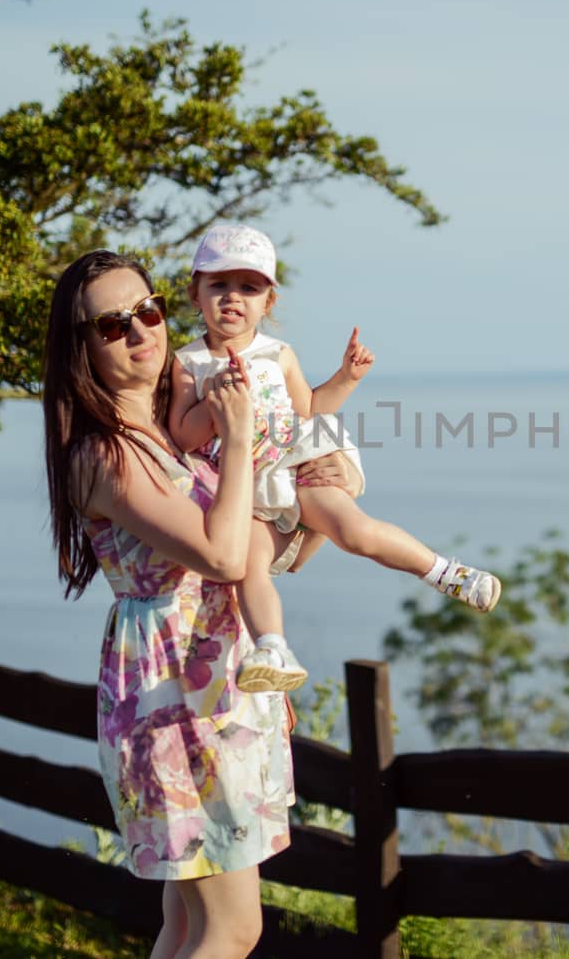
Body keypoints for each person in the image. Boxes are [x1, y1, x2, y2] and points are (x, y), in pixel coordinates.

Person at [43, 250, 350, 959]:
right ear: (81, 346)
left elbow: (258, 555)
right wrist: (239, 439)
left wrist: (318, 500)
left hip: (215, 682)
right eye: (111, 324)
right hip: (172, 696)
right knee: (232, 928)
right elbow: (216, 556)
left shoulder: (167, 431)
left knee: (185, 926)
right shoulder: (107, 454)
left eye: (147, 310)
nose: (141, 331)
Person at [168, 224, 501, 694]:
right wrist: (216, 407)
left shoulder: (278, 354)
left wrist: (347, 378)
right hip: (246, 485)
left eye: (249, 288)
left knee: (353, 531)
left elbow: (310, 409)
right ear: (195, 293)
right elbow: (183, 433)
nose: (232, 298)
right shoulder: (188, 363)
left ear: (269, 303)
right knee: (249, 566)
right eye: (218, 285)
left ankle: (445, 572)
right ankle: (272, 647)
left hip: (297, 464)